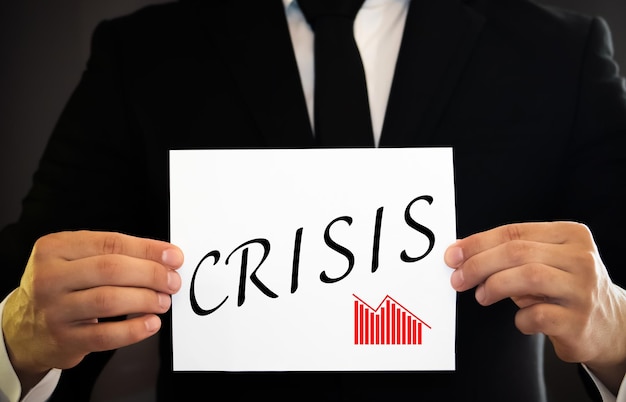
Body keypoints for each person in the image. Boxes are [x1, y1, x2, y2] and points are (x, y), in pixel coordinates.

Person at [1, 0, 626, 401]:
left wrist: (618, 337)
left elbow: (615, 291)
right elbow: (36, 295)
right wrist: (15, 347)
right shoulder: (141, 54)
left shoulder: (558, 54)